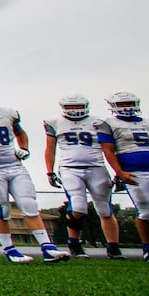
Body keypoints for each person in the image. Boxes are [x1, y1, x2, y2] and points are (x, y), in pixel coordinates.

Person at [0, 81, 69, 263]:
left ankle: (48, 248)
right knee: (1, 208)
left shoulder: (8, 113)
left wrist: (24, 148)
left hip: (14, 164)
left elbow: (21, 133)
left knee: (29, 203)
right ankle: (9, 250)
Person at [45, 93, 123, 258]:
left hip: (96, 166)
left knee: (105, 209)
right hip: (69, 167)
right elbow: (50, 148)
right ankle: (74, 244)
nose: (74, 110)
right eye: (70, 107)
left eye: (78, 106)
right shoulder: (55, 122)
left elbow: (110, 148)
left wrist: (118, 171)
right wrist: (49, 171)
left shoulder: (100, 122)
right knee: (78, 207)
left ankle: (113, 247)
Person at [98, 91, 149, 261]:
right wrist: (120, 172)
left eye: (129, 103)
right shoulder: (107, 123)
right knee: (146, 211)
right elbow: (108, 149)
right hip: (134, 171)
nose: (127, 107)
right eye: (122, 104)